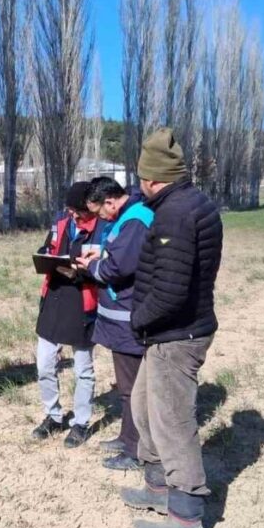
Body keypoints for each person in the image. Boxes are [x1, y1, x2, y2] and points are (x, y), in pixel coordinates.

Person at [119, 128, 223, 528]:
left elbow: (171, 289)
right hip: (167, 332)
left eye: (141, 176)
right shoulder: (184, 203)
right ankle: (159, 489)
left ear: (151, 178)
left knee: (173, 423)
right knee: (145, 409)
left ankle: (186, 519)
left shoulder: (176, 214)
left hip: (176, 335)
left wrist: (137, 320)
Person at [75, 176, 153, 470]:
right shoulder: (127, 217)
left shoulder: (136, 219)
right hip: (118, 318)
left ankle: (135, 451)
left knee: (132, 386)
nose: (99, 218)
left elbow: (119, 268)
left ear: (110, 201)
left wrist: (92, 266)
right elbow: (120, 254)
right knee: (125, 384)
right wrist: (101, 253)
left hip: (128, 319)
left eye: (99, 212)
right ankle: (126, 436)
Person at [30, 181, 105, 448]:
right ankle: (53, 415)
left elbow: (109, 269)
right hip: (54, 299)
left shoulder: (102, 228)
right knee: (44, 364)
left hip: (82, 303)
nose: (73, 215)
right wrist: (44, 257)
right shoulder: (61, 222)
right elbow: (48, 248)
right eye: (70, 210)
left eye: (78, 211)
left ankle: (81, 423)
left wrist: (82, 272)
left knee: (83, 369)